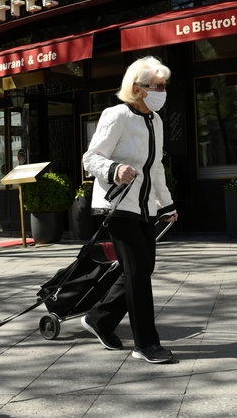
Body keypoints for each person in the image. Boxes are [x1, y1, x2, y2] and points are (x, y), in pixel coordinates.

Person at [81, 56, 178, 364]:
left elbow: (156, 167)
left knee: (142, 267)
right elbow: (91, 157)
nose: (163, 90)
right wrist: (115, 169)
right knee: (138, 273)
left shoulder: (156, 121)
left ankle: (100, 319)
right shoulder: (117, 115)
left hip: (144, 206)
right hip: (117, 204)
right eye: (157, 86)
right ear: (138, 88)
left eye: (164, 85)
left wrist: (167, 204)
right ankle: (146, 344)